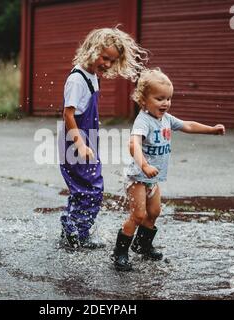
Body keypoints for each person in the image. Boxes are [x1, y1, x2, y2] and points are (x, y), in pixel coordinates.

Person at [112, 68, 226, 270]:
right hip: (137, 177)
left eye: (168, 98)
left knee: (154, 212)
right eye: (159, 98)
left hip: (152, 179)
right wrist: (144, 165)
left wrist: (211, 130)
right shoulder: (143, 121)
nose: (165, 103)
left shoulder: (165, 119)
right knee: (138, 216)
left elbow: (188, 125)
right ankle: (119, 253)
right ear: (143, 100)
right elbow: (133, 144)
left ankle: (142, 245)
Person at [58, 27, 148, 249]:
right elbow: (67, 114)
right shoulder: (77, 80)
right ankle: (75, 235)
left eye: (112, 61)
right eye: (104, 57)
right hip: (75, 143)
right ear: (91, 49)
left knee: (84, 188)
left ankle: (74, 231)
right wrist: (79, 144)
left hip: (86, 142)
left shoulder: (92, 76)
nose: (107, 64)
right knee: (92, 189)